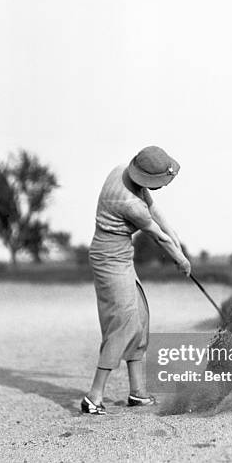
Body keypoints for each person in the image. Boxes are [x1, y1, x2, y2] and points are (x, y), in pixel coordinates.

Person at [82, 146, 191, 415]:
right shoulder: (129, 204)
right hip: (108, 258)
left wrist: (175, 237)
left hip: (122, 255)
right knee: (123, 322)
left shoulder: (122, 172)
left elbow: (155, 211)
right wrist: (181, 260)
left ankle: (138, 392)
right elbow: (158, 236)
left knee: (140, 317)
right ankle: (93, 398)